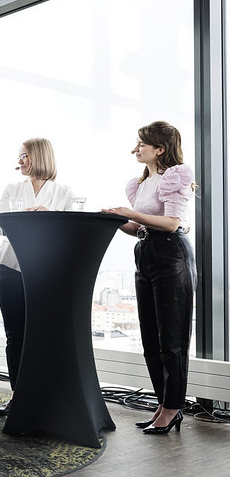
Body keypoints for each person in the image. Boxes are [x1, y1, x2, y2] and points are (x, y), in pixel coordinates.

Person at [103, 121, 196, 435]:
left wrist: (128, 213)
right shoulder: (141, 183)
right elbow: (139, 229)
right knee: (151, 341)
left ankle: (173, 407)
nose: (136, 148)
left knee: (172, 340)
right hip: (146, 254)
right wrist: (116, 220)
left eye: (143, 143)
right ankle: (163, 403)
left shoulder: (176, 177)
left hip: (171, 255)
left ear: (160, 148)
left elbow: (171, 223)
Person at [0, 138, 75, 416]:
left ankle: (46, 396)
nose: (20, 162)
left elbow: (70, 230)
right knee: (15, 336)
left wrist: (49, 215)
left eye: (24, 156)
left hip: (47, 272)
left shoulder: (63, 192)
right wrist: (27, 220)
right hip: (10, 267)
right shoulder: (13, 188)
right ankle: (17, 396)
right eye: (19, 156)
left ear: (38, 156)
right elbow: (1, 228)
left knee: (45, 335)